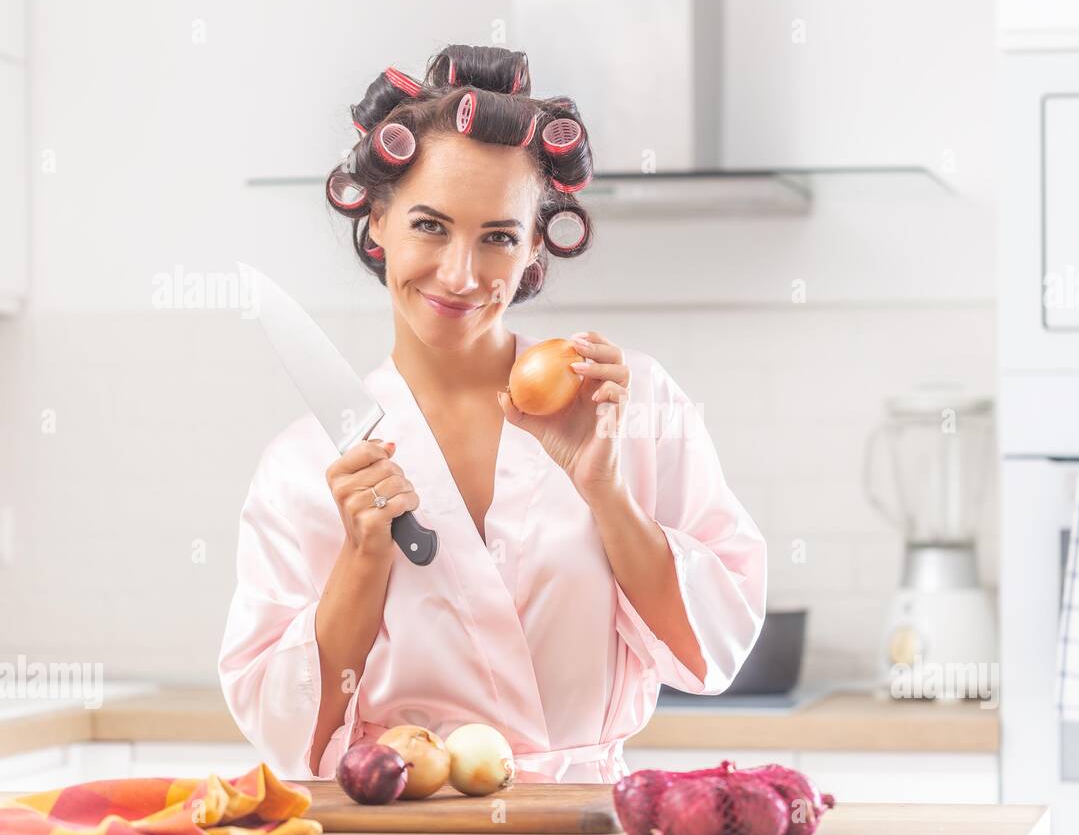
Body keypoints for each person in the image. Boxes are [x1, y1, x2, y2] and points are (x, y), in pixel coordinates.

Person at [219, 44, 767, 784]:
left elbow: (714, 652)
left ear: (536, 245)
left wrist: (605, 493)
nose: (461, 274)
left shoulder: (627, 404)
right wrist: (363, 556)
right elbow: (290, 741)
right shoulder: (305, 463)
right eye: (430, 226)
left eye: (498, 237)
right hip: (408, 831)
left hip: (587, 825)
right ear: (377, 222)